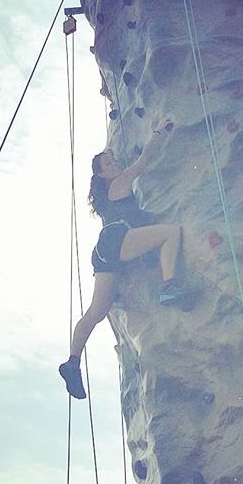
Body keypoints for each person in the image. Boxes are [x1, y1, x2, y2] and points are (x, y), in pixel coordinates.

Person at [59, 118, 186, 399]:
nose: (114, 164)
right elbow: (143, 162)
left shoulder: (106, 193)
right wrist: (157, 131)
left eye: (113, 160)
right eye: (109, 163)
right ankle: (169, 286)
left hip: (106, 249)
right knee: (170, 233)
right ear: (103, 174)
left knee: (97, 311)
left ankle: (72, 361)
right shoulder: (119, 182)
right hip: (119, 239)